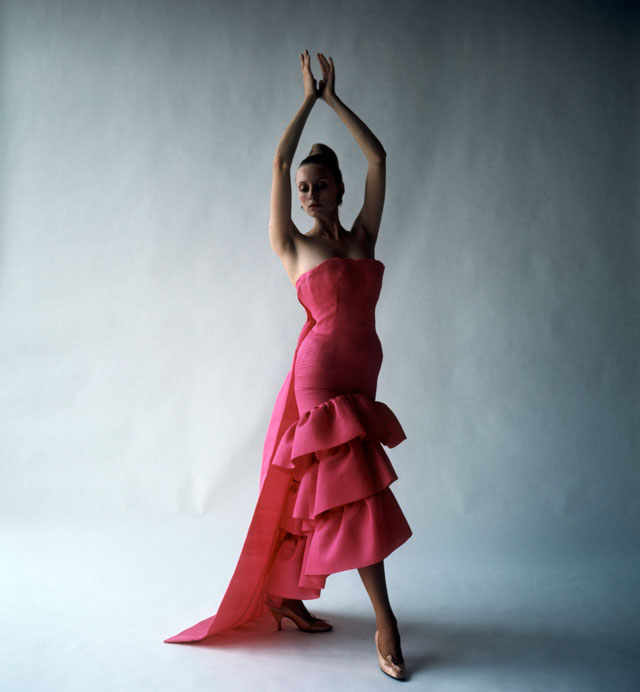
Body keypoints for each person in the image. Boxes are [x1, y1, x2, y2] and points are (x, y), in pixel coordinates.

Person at [165, 50, 412, 681]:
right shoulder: (294, 246)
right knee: (354, 492)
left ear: (339, 188)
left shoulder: (362, 238)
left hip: (362, 374)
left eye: (320, 185)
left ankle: (286, 596)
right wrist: (306, 100)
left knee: (317, 494)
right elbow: (278, 162)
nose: (308, 195)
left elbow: (379, 158)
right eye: (302, 188)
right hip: (322, 378)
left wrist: (335, 101)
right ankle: (386, 619)